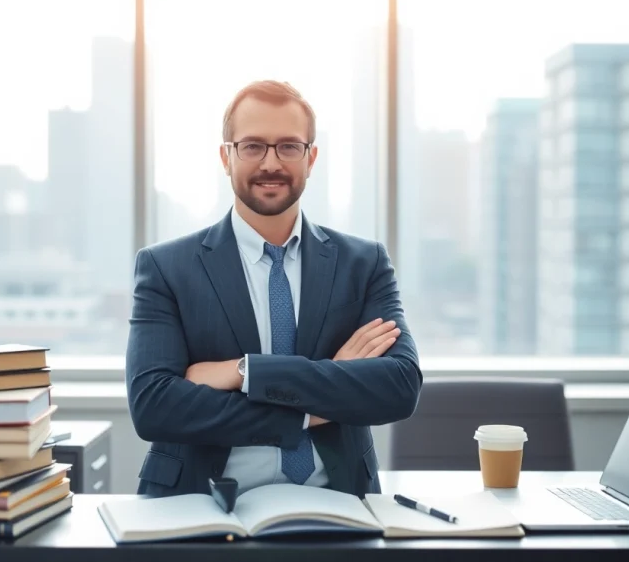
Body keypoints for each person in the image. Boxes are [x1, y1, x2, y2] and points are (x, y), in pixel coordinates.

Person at [125, 80, 421, 499]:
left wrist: (245, 371)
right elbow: (154, 406)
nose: (271, 163)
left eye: (288, 147)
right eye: (252, 147)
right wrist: (315, 403)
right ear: (226, 157)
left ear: (310, 158)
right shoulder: (166, 268)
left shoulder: (363, 263)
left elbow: (399, 386)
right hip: (199, 502)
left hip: (339, 500)